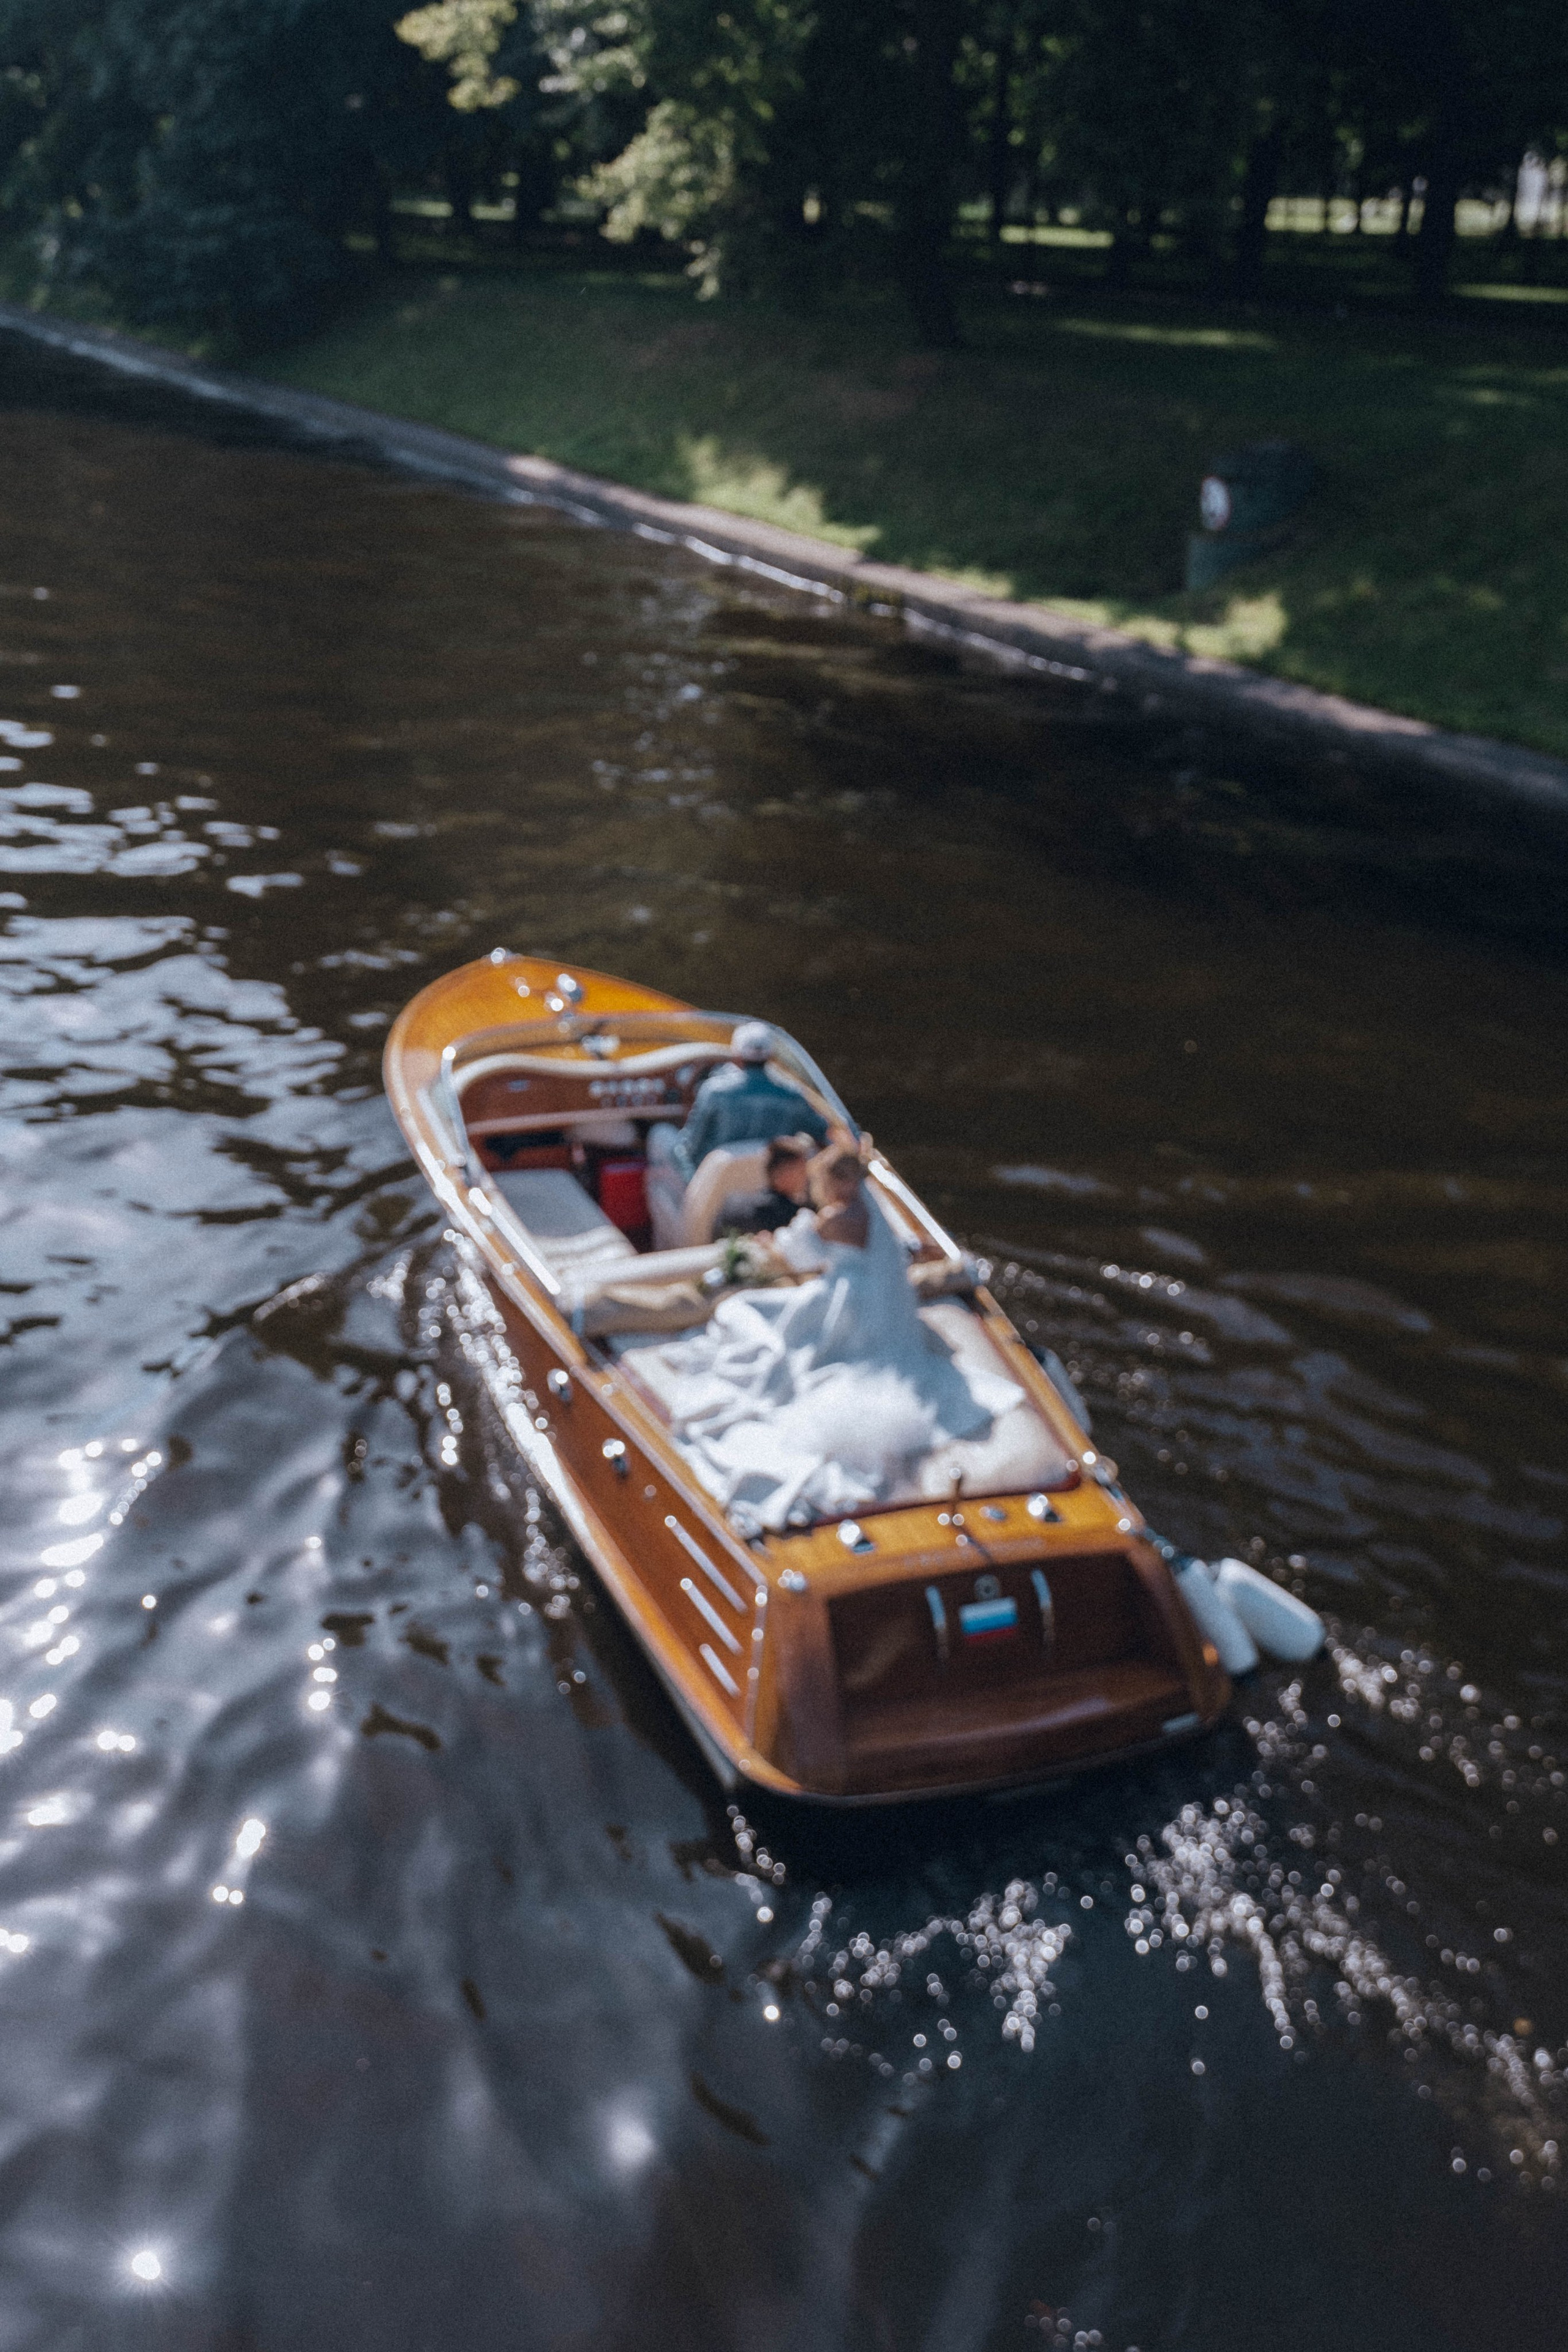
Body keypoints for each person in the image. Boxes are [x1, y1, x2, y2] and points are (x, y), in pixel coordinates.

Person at [649, 1136, 1023, 1532]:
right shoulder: (873, 1211)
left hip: (846, 1299)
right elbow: (891, 1254)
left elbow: (798, 1254)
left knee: (746, 1311)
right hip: (884, 1303)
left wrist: (770, 1244)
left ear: (835, 1182)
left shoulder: (834, 1219)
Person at [669, 1020, 827, 1185]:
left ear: (737, 1057)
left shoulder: (714, 1092)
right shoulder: (793, 1096)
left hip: (719, 1188)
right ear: (770, 1057)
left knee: (662, 1135)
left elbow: (689, 1147)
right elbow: (823, 1132)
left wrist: (692, 1181)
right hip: (774, 1186)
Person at [714, 1134, 814, 1238]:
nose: (806, 1177)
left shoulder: (732, 1202)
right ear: (783, 1175)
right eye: (801, 1172)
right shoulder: (791, 1215)